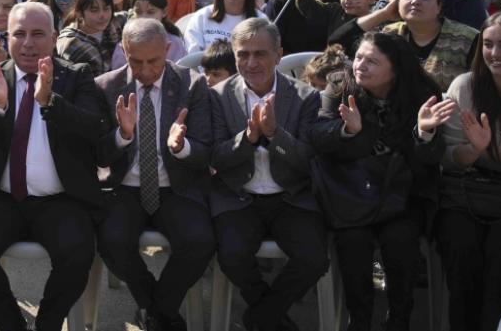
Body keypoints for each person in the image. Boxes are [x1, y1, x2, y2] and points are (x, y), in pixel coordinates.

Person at [0, 0, 104, 331]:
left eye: (38, 34)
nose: (27, 43)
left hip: (60, 199)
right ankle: (11, 325)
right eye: (19, 34)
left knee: (77, 254)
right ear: (6, 38)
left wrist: (50, 101)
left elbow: (94, 129)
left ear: (54, 37)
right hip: (1, 196)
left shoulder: (76, 76)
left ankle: (48, 324)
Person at [308, 31, 452, 331]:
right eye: (359, 57)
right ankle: (359, 320)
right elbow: (319, 135)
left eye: (372, 61)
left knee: (400, 240)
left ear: (395, 68)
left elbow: (430, 160)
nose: (360, 66)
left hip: (404, 194)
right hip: (352, 191)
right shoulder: (340, 84)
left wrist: (423, 133)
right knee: (353, 241)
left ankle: (398, 320)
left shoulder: (422, 94)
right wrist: (349, 132)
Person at [208, 18, 328, 331]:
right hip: (238, 195)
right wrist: (246, 139)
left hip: (291, 197)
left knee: (314, 258)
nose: (251, 62)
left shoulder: (306, 97)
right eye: (243, 54)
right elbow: (216, 156)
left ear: (278, 55)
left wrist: (276, 135)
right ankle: (271, 317)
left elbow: (308, 162)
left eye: (260, 54)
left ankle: (259, 317)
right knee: (232, 255)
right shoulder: (217, 96)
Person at [94, 17, 214, 331]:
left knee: (199, 240)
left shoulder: (192, 84)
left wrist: (181, 147)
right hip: (126, 187)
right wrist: (122, 134)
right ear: (123, 50)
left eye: (154, 61)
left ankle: (156, 308)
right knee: (111, 240)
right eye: (135, 61)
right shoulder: (106, 87)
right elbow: (98, 155)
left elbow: (205, 152)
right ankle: (160, 310)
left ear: (169, 49)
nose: (145, 70)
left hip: (177, 186)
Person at [438, 11, 501, 331]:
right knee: (461, 247)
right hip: (469, 191)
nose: (495, 54)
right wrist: (474, 150)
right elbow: (447, 158)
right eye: (489, 44)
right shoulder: (465, 87)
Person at [350, 0, 477, 92]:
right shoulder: (390, 33)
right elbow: (340, 41)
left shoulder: (467, 39)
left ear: (439, 6)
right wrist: (384, 14)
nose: (415, 1)